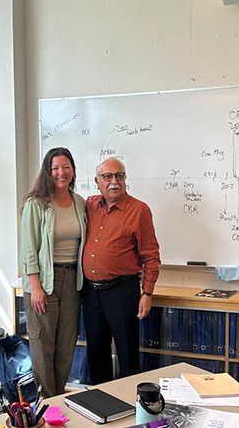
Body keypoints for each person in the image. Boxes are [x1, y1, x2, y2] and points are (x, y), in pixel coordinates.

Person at [82, 157, 160, 384]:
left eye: (119, 176)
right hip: (91, 292)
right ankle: (101, 400)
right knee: (96, 351)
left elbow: (151, 256)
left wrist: (147, 293)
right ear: (97, 181)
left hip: (122, 290)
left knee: (126, 352)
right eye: (107, 176)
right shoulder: (89, 205)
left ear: (125, 179)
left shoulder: (139, 210)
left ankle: (127, 399)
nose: (114, 182)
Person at [19, 147, 87, 397]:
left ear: (73, 170)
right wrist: (35, 287)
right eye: (55, 168)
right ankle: (47, 403)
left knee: (66, 346)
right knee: (43, 347)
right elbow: (28, 249)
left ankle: (59, 396)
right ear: (47, 172)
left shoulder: (79, 203)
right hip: (43, 281)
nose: (61, 172)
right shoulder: (36, 204)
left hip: (72, 282)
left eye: (66, 167)